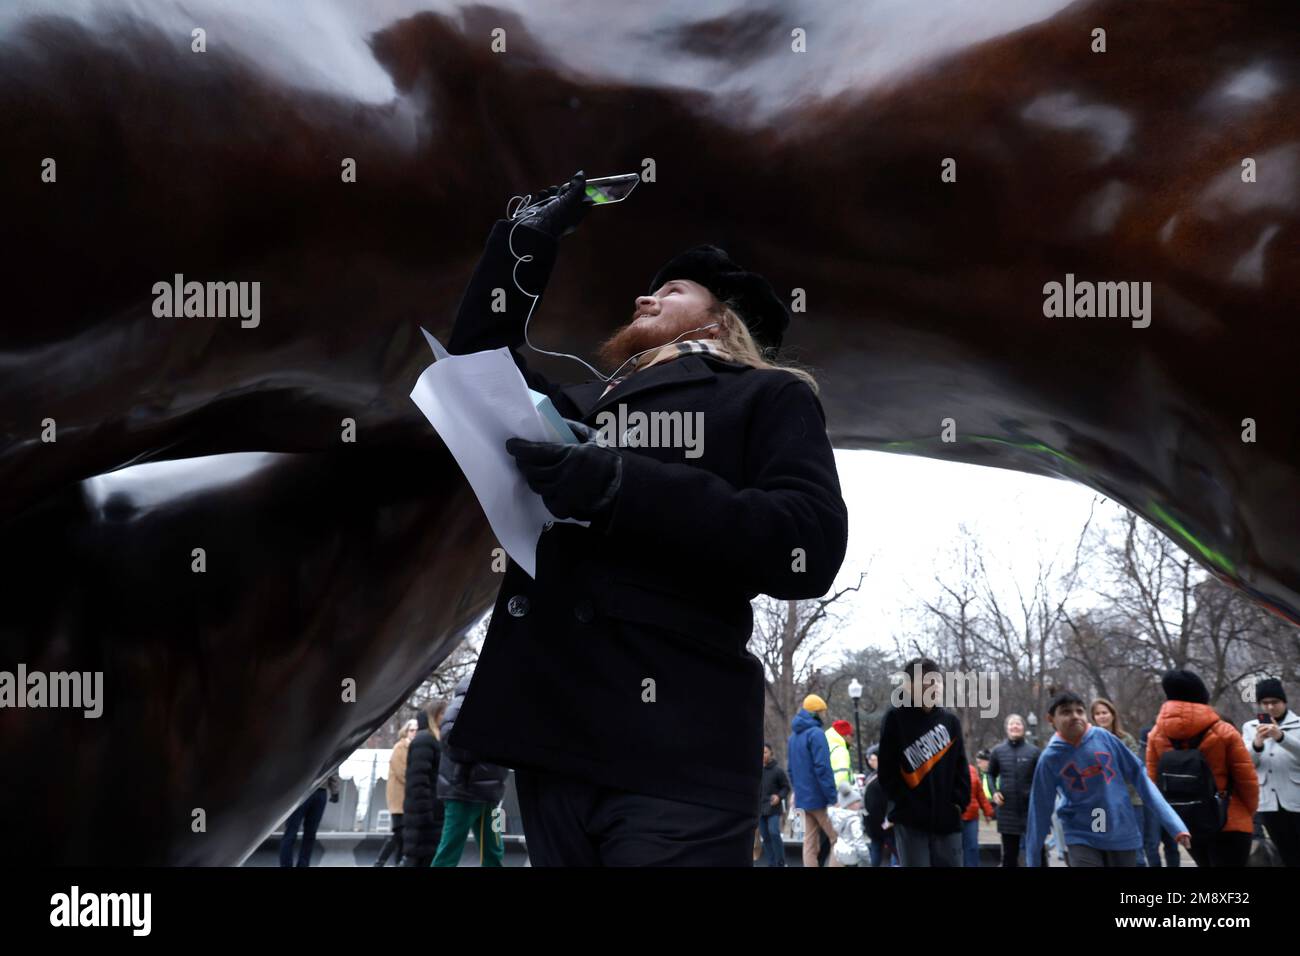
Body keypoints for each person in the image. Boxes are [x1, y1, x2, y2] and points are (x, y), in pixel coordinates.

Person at [443, 171, 850, 866]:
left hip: (675, 757)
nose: (645, 295)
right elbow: (477, 363)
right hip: (555, 747)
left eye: (672, 291)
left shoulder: (769, 396)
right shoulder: (589, 410)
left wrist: (619, 485)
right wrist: (525, 243)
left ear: (722, 319)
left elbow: (807, 545)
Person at [1026, 692, 1190, 867]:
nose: (1075, 716)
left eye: (1079, 711)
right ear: (1051, 719)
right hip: (1081, 834)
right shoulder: (1050, 758)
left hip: (1120, 830)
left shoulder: (1104, 738)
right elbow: (1039, 809)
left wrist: (1175, 824)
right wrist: (1033, 860)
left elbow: (1140, 778)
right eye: (1066, 712)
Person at [1147, 669, 1259, 867]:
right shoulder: (1224, 731)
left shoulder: (1156, 735)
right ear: (1201, 694)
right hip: (1230, 817)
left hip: (1188, 821)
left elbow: (1153, 783)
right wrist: (1248, 813)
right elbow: (1246, 778)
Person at [877, 658, 970, 866]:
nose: (934, 686)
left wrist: (957, 805)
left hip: (947, 822)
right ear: (909, 686)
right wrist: (907, 807)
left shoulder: (950, 722)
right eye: (927, 681)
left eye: (938, 681)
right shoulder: (894, 719)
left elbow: (961, 769)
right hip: (911, 823)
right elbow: (886, 773)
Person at [433, 678, 509, 867]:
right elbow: (450, 740)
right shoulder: (461, 704)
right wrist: (487, 750)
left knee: (494, 849)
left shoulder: (493, 705)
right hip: (464, 791)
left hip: (489, 793)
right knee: (450, 850)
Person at [1243, 677, 1300, 866]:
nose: (1269, 708)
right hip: (1268, 801)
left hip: (1295, 798)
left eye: (1274, 702)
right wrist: (1257, 744)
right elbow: (1246, 763)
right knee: (1283, 853)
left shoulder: (1298, 725)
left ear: (1284, 702)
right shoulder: (1250, 728)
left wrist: (1281, 737)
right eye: (1264, 703)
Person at [1090, 697, 1145, 865]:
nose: (1102, 717)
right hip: (1098, 806)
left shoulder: (1126, 739)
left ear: (1112, 715)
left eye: (1105, 712)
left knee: (1134, 849)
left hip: (1129, 803)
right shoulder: (1088, 742)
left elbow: (1133, 769)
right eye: (1097, 714)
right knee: (1101, 846)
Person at [789, 694, 841, 867]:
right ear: (816, 712)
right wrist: (833, 798)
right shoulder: (817, 734)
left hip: (803, 799)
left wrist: (797, 792)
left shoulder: (793, 738)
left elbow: (791, 770)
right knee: (840, 840)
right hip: (819, 799)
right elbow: (823, 768)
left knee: (809, 843)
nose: (825, 715)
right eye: (823, 711)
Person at [987, 715, 1040, 866]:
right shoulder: (998, 751)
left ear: (1023, 728)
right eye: (1011, 724)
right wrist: (994, 792)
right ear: (1007, 728)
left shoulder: (1034, 752)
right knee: (1009, 856)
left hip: (1031, 811)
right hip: (1007, 811)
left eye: (1018, 724)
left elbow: (1042, 778)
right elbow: (990, 774)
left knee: (1037, 852)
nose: (1015, 726)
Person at [401, 701, 448, 867]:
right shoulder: (425, 740)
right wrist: (427, 813)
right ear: (434, 716)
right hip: (425, 815)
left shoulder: (434, 740)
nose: (447, 717)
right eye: (443, 714)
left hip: (431, 813)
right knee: (419, 859)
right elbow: (418, 782)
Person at [374, 718, 417, 866]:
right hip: (399, 798)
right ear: (406, 731)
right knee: (400, 832)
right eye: (412, 730)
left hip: (408, 798)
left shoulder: (414, 748)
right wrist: (416, 785)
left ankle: (398, 862)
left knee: (403, 834)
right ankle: (380, 861)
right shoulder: (400, 747)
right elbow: (401, 772)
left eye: (417, 730)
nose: (415, 733)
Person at [1138, 725, 1181, 867]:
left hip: (1164, 801)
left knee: (1163, 843)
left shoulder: (1166, 752)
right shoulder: (1142, 756)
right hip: (1154, 802)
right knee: (1155, 844)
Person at [279, 770, 340, 868]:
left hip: (314, 790)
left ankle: (298, 865)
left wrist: (335, 790)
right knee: (297, 833)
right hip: (305, 790)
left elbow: (332, 766)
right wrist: (335, 791)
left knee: (302, 833)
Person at [757, 743, 791, 867]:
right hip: (760, 809)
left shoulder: (778, 771)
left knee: (774, 833)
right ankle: (771, 863)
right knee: (765, 837)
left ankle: (781, 862)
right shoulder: (757, 770)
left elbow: (786, 787)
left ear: (771, 753)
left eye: (765, 752)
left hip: (773, 808)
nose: (763, 755)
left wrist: (779, 796)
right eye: (761, 753)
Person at [863, 744, 897, 866]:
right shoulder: (881, 777)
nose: (869, 762)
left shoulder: (874, 777)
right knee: (894, 850)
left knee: (878, 848)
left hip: (876, 822)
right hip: (884, 823)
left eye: (872, 759)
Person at [961, 762, 996, 867]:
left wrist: (988, 811)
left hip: (971, 816)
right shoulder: (946, 768)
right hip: (954, 816)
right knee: (955, 849)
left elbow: (980, 793)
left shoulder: (971, 770)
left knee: (972, 847)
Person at [829, 782, 871, 866]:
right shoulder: (854, 820)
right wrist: (866, 856)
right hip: (852, 854)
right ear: (849, 804)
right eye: (857, 801)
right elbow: (858, 840)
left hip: (840, 851)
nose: (860, 804)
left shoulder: (838, 816)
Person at [827, 719, 854, 788]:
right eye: (852, 735)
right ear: (846, 736)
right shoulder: (840, 750)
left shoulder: (828, 746)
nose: (852, 738)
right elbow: (841, 776)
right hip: (841, 795)